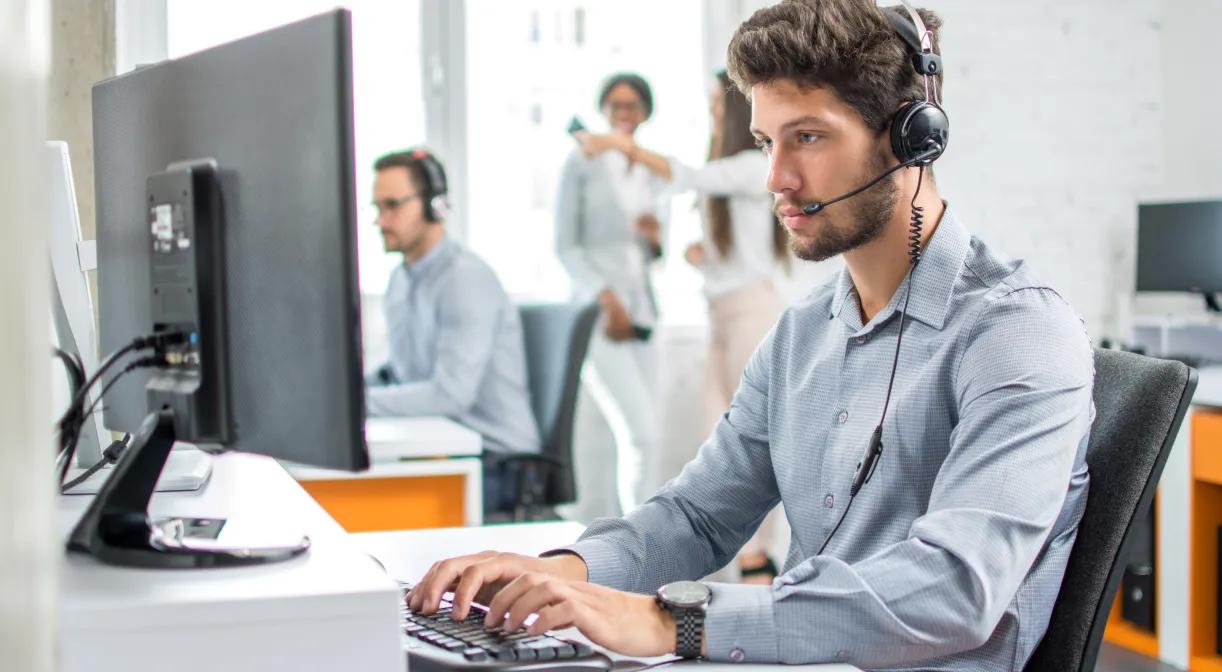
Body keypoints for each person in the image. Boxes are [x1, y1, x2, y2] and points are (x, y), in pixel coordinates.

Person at [407, 2, 1095, 669]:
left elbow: (956, 590)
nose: (776, 179)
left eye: (809, 137)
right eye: (768, 142)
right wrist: (560, 571)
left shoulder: (1016, 332)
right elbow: (699, 515)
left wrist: (669, 620)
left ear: (910, 136)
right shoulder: (802, 333)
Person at [580, 70, 793, 584]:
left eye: (718, 104)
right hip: (721, 315)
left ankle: (760, 563)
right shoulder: (731, 169)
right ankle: (742, 564)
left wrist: (617, 146)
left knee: (760, 446)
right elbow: (727, 237)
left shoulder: (752, 164)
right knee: (716, 445)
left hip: (753, 315)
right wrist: (703, 257)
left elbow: (687, 175)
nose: (713, 114)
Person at [364, 148, 540, 513]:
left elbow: (449, 395)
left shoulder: (465, 279)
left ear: (435, 205)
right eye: (377, 208)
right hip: (440, 447)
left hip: (497, 464)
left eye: (392, 205)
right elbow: (398, 373)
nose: (381, 220)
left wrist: (354, 407)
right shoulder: (400, 280)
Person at [555, 72, 669, 514]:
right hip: (598, 313)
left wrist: (656, 239)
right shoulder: (581, 162)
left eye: (632, 107)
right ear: (603, 109)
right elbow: (565, 246)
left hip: (645, 312)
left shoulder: (650, 170)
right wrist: (605, 298)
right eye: (616, 106)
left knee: (649, 435)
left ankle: (643, 535)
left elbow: (654, 256)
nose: (624, 115)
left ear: (645, 113)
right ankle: (636, 544)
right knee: (638, 431)